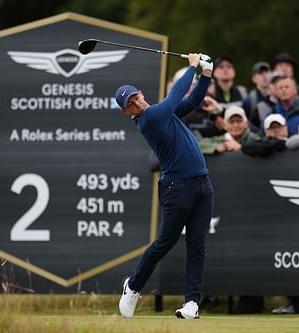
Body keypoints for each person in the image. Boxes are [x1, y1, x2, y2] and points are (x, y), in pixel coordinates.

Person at [115, 53, 214, 320]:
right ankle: (133, 286)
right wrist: (192, 68)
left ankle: (192, 302)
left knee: (197, 244)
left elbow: (192, 100)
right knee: (164, 242)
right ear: (127, 112)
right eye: (131, 104)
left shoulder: (161, 112)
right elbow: (174, 98)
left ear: (141, 93)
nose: (136, 102)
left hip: (202, 184)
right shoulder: (149, 120)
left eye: (136, 96)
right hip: (176, 187)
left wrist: (206, 75)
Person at [242, 62, 276, 131]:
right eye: (260, 73)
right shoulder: (249, 100)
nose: (264, 76)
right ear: (253, 79)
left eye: (267, 72)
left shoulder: (280, 95)